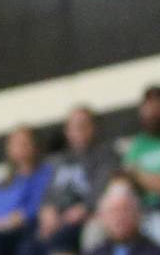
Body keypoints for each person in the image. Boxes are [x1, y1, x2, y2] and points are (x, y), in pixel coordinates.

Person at [36, 107, 121, 255]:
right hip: (60, 219)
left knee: (61, 239)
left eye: (84, 125)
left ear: (94, 128)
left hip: (89, 216)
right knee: (30, 245)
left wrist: (85, 208)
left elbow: (102, 189)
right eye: (74, 126)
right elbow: (48, 192)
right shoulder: (58, 161)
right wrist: (46, 210)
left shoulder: (106, 155)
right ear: (67, 131)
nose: (79, 130)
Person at [0, 127, 54, 255]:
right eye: (15, 143)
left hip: (25, 235)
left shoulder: (45, 175)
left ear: (35, 145)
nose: (20, 148)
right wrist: (2, 223)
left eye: (24, 142)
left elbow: (28, 214)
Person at [125, 87, 160, 210]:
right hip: (142, 207)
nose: (153, 112)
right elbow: (127, 178)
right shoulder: (138, 144)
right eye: (149, 107)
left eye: (158, 106)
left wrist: (138, 175)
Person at [84, 180, 160, 255]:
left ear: (138, 214)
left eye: (125, 210)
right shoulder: (95, 252)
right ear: (102, 217)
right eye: (113, 211)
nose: (119, 217)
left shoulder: (154, 252)